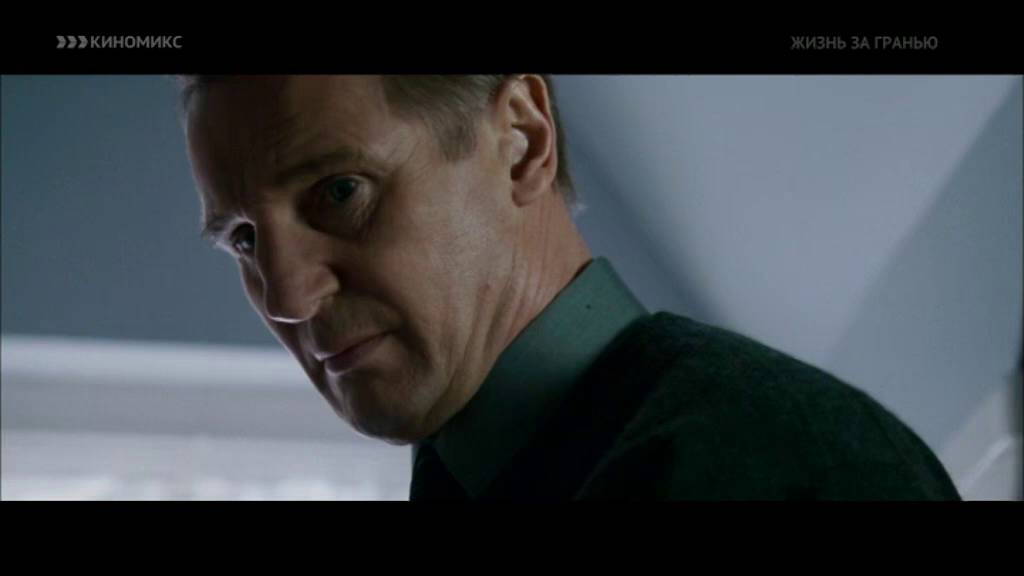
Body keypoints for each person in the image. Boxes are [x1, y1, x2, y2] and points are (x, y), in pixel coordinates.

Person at [180, 74, 961, 500]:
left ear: (522, 141)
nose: (286, 298)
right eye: (244, 239)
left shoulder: (773, 458)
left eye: (340, 191)